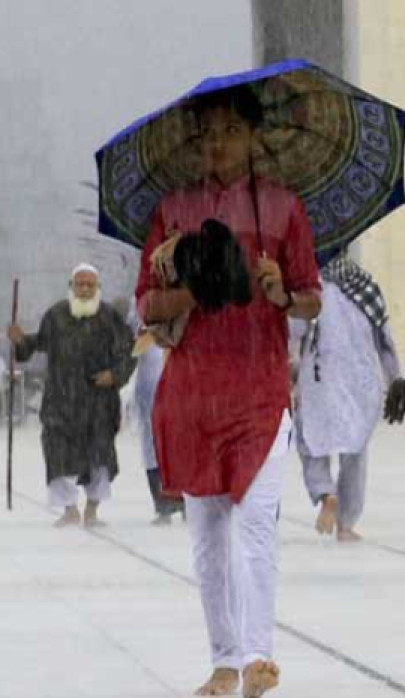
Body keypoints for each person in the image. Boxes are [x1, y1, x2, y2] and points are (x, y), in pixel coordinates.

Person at [136, 85, 321, 698]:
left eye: (229, 131)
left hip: (260, 394)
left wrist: (278, 292)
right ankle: (221, 659)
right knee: (209, 535)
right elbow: (146, 304)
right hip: (192, 394)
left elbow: (310, 297)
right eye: (207, 132)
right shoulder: (173, 211)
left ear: (252, 136)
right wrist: (197, 286)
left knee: (256, 526)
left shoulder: (282, 208)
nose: (217, 142)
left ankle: (257, 657)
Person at [7, 264, 135, 527]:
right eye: (80, 284)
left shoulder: (110, 317)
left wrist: (114, 375)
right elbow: (38, 343)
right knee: (57, 454)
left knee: (99, 459)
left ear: (97, 288)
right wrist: (21, 341)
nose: (85, 289)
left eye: (90, 285)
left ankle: (92, 510)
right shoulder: (55, 315)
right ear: (71, 286)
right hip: (60, 403)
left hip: (98, 403)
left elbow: (128, 353)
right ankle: (69, 509)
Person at [291, 254, 405, 542]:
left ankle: (325, 492)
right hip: (362, 382)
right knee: (355, 451)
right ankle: (346, 524)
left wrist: (288, 375)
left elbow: (294, 335)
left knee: (311, 441)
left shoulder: (310, 289)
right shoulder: (364, 286)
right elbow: (385, 338)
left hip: (319, 378)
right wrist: (396, 378)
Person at [126, 298, 184, 525]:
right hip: (151, 386)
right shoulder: (143, 297)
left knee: (186, 442)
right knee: (153, 444)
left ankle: (189, 500)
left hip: (185, 380)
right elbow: (133, 332)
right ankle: (164, 504)